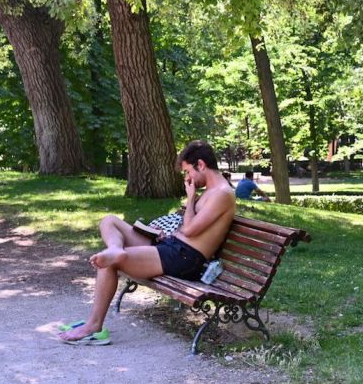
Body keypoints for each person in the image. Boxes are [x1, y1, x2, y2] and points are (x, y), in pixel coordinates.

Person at [58, 140, 236, 345]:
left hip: (185, 258)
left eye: (188, 172)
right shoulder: (211, 191)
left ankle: (93, 327)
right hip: (172, 247)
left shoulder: (222, 194)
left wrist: (190, 199)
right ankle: (116, 248)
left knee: (109, 263)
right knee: (109, 221)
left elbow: (190, 230)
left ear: (201, 165)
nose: (187, 178)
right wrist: (163, 233)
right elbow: (188, 229)